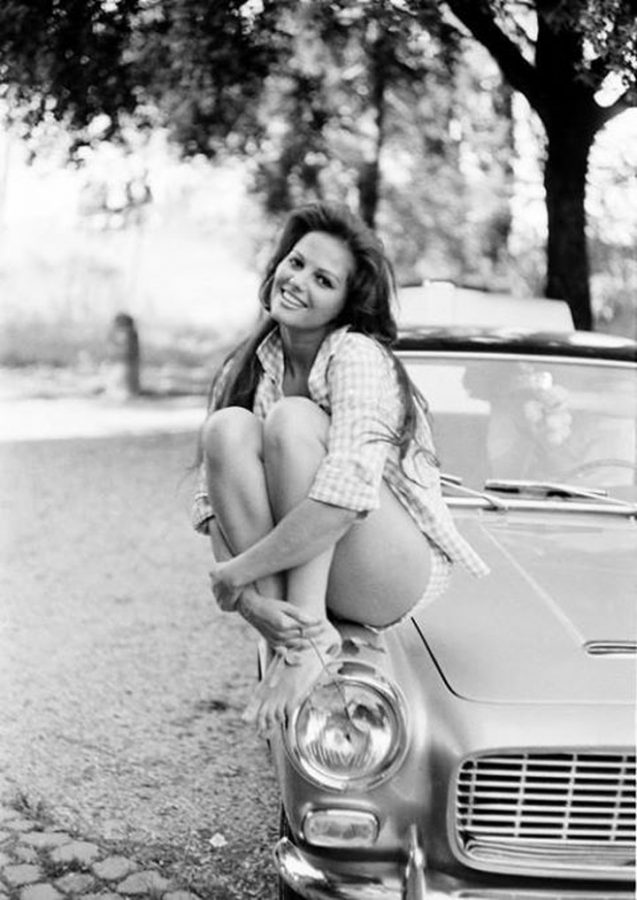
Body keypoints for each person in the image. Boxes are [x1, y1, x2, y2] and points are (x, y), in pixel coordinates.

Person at [192, 202, 488, 734]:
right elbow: (213, 504)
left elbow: (344, 503)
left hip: (388, 568)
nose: (298, 281)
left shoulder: (355, 355)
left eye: (323, 280)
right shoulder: (250, 365)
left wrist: (236, 575)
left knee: (292, 419)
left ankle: (307, 637)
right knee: (226, 429)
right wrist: (254, 605)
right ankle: (289, 640)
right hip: (302, 565)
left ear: (344, 305)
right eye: (296, 262)